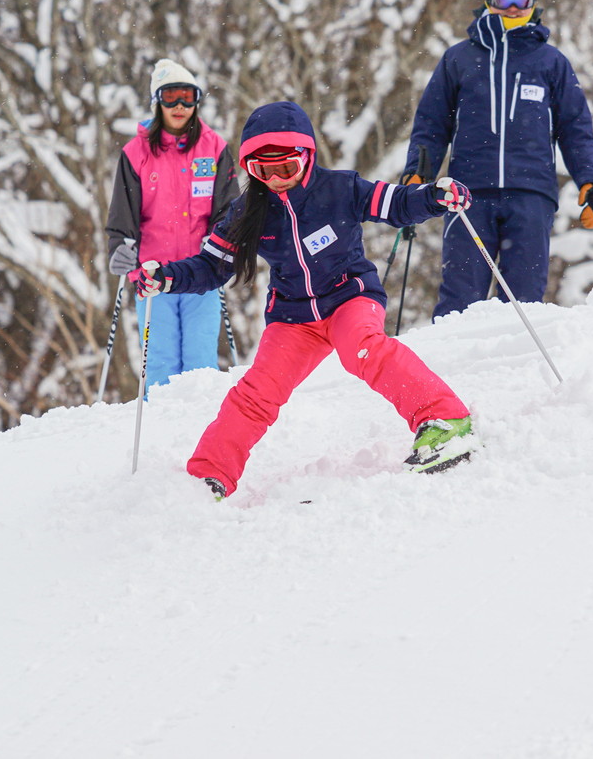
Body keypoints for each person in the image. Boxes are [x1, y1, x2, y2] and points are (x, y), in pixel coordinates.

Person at [133, 101, 476, 499]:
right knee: (258, 390)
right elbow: (211, 267)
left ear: (307, 157)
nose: (276, 179)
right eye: (264, 170)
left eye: (286, 168)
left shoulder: (340, 189)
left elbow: (396, 203)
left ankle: (445, 420)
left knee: (362, 349)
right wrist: (167, 277)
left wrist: (434, 196)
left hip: (350, 296)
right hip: (294, 315)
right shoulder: (248, 211)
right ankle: (209, 477)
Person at [404, 0, 593, 320]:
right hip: (467, 195)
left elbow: (575, 127)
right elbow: (431, 124)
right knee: (459, 301)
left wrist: (591, 181)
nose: (513, 6)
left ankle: (516, 372)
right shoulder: (459, 58)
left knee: (523, 303)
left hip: (531, 195)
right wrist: (417, 174)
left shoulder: (550, 61)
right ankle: (448, 371)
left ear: (533, 1)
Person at [105, 59, 239, 395]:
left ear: (196, 101)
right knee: (161, 364)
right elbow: (122, 215)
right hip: (152, 274)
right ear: (157, 101)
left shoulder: (214, 148)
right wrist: (120, 248)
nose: (179, 106)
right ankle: (160, 437)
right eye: (170, 97)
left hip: (202, 273)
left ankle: (200, 436)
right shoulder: (136, 153)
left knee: (200, 361)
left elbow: (230, 208)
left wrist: (223, 239)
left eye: (187, 97)